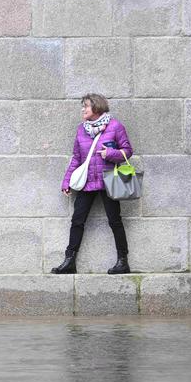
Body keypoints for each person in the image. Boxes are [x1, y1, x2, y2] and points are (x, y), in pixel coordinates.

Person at [51, 93, 132, 275]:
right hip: (87, 182)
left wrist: (110, 154)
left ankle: (123, 261)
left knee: (115, 221)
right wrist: (67, 181)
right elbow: (77, 158)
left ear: (96, 107)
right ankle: (69, 261)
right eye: (83, 106)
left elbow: (127, 150)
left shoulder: (115, 126)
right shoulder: (82, 129)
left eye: (86, 106)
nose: (83, 109)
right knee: (77, 221)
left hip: (108, 181)